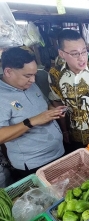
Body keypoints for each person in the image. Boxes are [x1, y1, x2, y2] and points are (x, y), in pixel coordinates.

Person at [0, 47, 65, 179]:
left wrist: (53, 111)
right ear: (8, 72)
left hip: (58, 152)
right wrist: (32, 121)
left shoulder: (30, 84)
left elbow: (45, 105)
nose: (33, 80)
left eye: (34, 74)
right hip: (35, 163)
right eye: (27, 75)